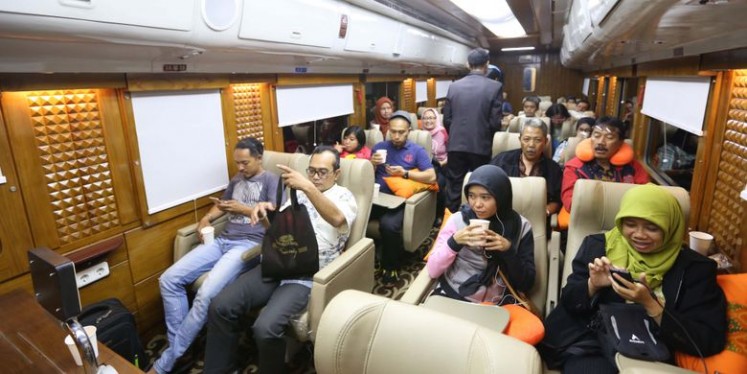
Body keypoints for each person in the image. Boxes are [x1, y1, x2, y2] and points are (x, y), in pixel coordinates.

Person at [539, 185, 727, 372]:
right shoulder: (597, 246)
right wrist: (592, 285)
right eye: (630, 225)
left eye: (652, 227)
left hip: (653, 353)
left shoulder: (695, 269)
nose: (639, 235)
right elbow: (569, 300)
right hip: (592, 345)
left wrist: (651, 305)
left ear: (671, 226)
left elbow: (709, 339)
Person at [203, 146, 357, 374]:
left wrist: (306, 186)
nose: (315, 177)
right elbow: (276, 231)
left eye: (322, 172)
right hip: (278, 263)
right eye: (311, 171)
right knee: (220, 305)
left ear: (337, 173)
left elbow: (336, 218)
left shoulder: (343, 196)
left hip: (306, 273)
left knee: (265, 328)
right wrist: (264, 217)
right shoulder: (298, 193)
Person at [149, 137, 280, 374]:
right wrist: (207, 217)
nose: (240, 168)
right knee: (168, 279)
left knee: (205, 294)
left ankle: (168, 360)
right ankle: (182, 348)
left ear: (259, 158)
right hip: (223, 240)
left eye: (245, 163)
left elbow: (275, 218)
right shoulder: (237, 179)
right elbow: (222, 204)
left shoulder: (271, 180)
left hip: (249, 245)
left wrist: (245, 209)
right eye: (237, 163)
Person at [426, 164, 535, 304]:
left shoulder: (521, 227)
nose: (477, 204)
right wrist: (454, 243)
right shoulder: (457, 220)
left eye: (485, 197)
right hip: (454, 291)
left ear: (501, 197)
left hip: (496, 300)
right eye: (471, 196)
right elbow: (433, 270)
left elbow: (526, 283)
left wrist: (509, 250)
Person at [370, 111, 436, 283]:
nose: (396, 136)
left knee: (389, 225)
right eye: (393, 131)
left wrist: (405, 173)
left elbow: (431, 176)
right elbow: (367, 176)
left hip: (400, 201)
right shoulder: (379, 148)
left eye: (401, 132)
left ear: (409, 131)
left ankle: (390, 266)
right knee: (354, 213)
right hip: (377, 197)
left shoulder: (417, 151)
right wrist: (371, 164)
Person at [442, 48, 503, 213]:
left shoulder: (454, 87)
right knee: (480, 188)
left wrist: (456, 133)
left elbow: (446, 119)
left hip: (455, 145)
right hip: (481, 145)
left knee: (454, 186)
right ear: (487, 64)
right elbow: (495, 123)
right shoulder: (495, 87)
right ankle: (477, 221)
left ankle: (451, 222)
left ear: (468, 64)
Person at [561, 117, 649, 213]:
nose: (601, 142)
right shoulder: (575, 167)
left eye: (609, 137)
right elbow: (569, 202)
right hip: (586, 218)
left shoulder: (633, 167)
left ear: (620, 143)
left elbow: (645, 197)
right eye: (597, 136)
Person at [490, 118, 563, 230]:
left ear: (545, 141)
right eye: (526, 139)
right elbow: (488, 188)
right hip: (502, 220)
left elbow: (556, 200)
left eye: (537, 140)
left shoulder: (554, 169)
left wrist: (546, 212)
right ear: (520, 139)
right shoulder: (502, 161)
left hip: (536, 223)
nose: (531, 145)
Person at [422, 107, 449, 220]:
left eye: (431, 118)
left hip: (441, 165)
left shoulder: (443, 132)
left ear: (436, 119)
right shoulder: (420, 134)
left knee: (439, 184)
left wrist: (443, 162)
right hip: (424, 166)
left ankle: (439, 214)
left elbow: (451, 151)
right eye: (426, 118)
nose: (428, 121)